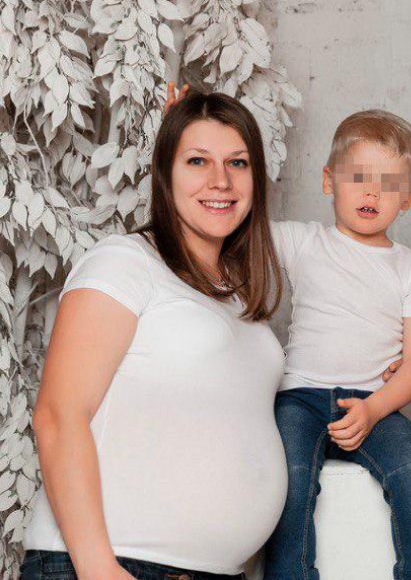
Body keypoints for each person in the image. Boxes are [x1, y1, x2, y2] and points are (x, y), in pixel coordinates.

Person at [20, 92, 289, 580]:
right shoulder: (125, 262)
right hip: (116, 565)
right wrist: (98, 568)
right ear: (165, 173)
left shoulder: (236, 296)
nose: (221, 181)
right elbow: (57, 416)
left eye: (238, 162)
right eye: (197, 161)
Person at [263, 110, 411, 580]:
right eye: (359, 178)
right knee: (288, 481)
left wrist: (374, 409)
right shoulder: (302, 242)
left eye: (388, 184)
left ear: (408, 198)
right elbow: (231, 228)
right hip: (299, 399)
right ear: (330, 181)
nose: (372, 193)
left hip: (373, 402)